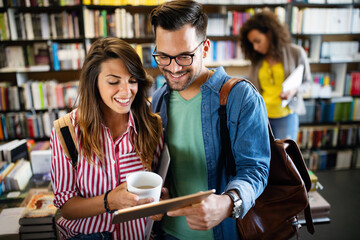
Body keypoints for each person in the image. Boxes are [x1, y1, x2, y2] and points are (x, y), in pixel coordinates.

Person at [149, 1, 270, 239]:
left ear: (205, 49)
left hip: (223, 233)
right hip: (167, 233)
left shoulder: (241, 97)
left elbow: (256, 170)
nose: (173, 68)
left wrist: (227, 203)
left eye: (184, 56)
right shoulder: (159, 99)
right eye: (163, 57)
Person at [50, 37, 164, 240]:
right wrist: (109, 201)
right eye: (113, 81)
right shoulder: (67, 131)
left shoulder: (151, 125)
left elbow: (158, 183)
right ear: (93, 82)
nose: (126, 91)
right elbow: (66, 207)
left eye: (132, 80)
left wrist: (160, 202)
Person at [240, 10, 311, 140]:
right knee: (263, 158)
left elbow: (308, 83)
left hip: (286, 116)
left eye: (258, 41)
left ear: (270, 34)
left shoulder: (296, 53)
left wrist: (294, 91)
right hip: (261, 117)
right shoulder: (257, 59)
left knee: (284, 158)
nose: (255, 47)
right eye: (252, 43)